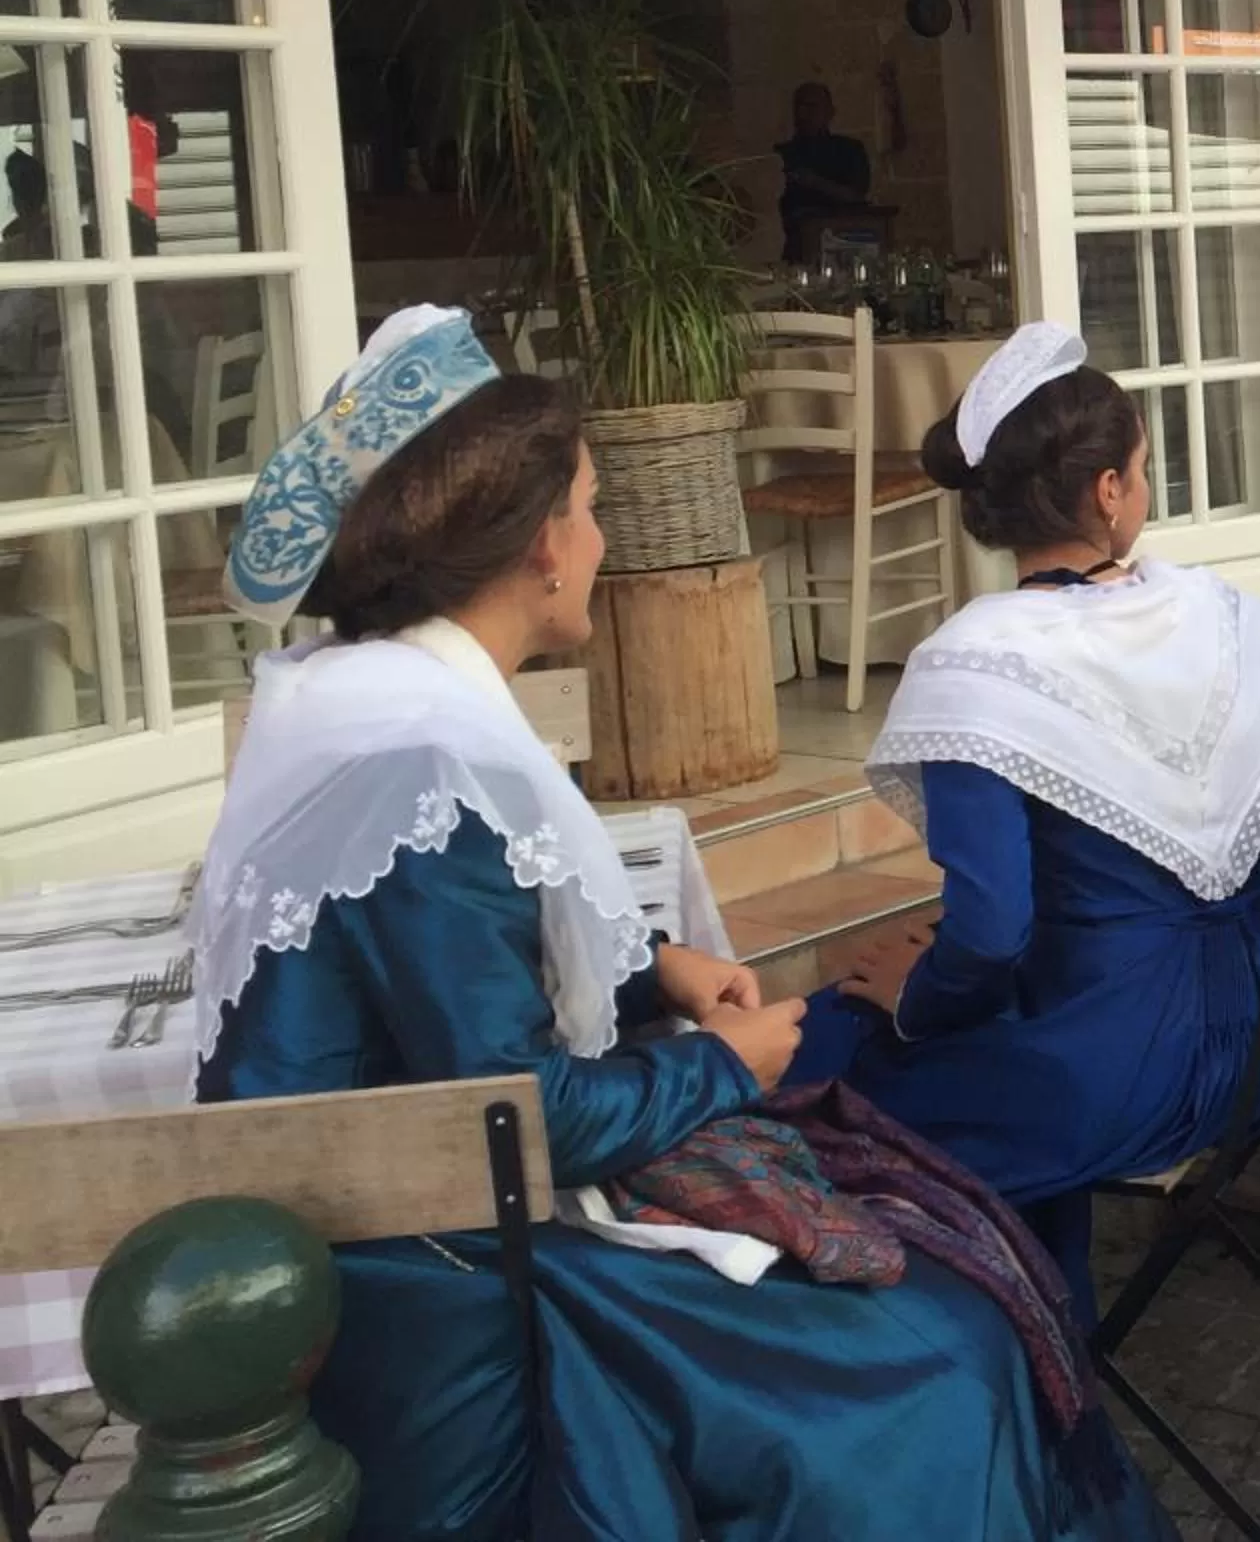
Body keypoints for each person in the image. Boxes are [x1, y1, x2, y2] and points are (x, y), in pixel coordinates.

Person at [196, 306, 1168, 1542]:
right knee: (936, 1361)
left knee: (938, 1258)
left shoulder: (366, 698)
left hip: (416, 1214)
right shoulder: (420, 766)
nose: (605, 543)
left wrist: (653, 968)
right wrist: (724, 1066)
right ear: (541, 547)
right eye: (594, 511)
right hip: (434, 1275)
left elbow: (441, 958)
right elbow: (516, 1113)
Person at [783, 323, 1260, 1322]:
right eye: (1144, 470)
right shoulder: (1222, 619)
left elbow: (991, 935)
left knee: (816, 1059)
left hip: (1116, 1072)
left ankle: (1013, 1361)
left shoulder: (976, 666)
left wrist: (920, 1001)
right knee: (989, 1026)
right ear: (1109, 494)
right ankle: (1049, 1316)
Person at [775, 79, 874, 261]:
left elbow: (856, 195)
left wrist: (814, 182)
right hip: (796, 246)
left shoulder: (849, 150)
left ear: (829, 112)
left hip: (845, 240)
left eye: (811, 107)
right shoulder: (781, 155)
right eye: (799, 107)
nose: (803, 114)